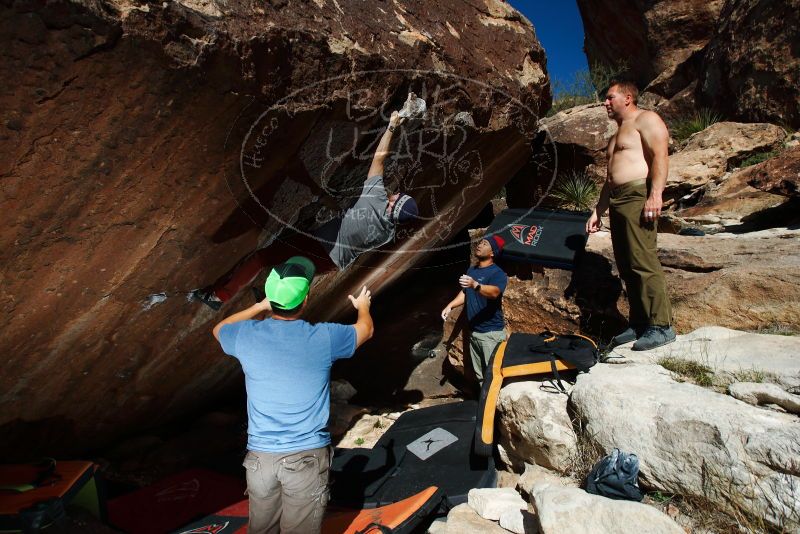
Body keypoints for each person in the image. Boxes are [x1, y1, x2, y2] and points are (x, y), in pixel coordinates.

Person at [195, 109, 419, 310]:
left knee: (261, 258)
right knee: (291, 277)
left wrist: (391, 126)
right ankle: (267, 298)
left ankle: (219, 297)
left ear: (392, 205)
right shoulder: (386, 232)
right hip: (333, 262)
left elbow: (379, 160)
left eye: (398, 196)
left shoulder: (375, 201)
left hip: (318, 247)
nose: (395, 192)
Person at [212, 255, 374, 534]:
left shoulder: (246, 336)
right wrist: (362, 307)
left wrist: (258, 306)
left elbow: (218, 329)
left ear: (270, 297)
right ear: (306, 298)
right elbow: (366, 330)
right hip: (305, 458)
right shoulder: (324, 337)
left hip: (260, 460)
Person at [585, 80, 675, 351]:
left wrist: (655, 194)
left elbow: (660, 156)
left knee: (643, 260)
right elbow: (609, 179)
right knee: (626, 264)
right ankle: (639, 323)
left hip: (638, 196)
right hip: (617, 200)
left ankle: (661, 326)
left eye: (610, 97)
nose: (605, 103)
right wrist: (597, 210)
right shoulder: (616, 136)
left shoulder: (646, 120)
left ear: (627, 98)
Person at [441, 236, 508, 384]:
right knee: (481, 377)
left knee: (494, 376)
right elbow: (465, 293)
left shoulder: (497, 273)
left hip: (491, 335)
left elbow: (495, 292)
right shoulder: (472, 270)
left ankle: (495, 405)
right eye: (480, 242)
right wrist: (450, 305)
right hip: (474, 333)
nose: (480, 245)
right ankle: (483, 404)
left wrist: (476, 285)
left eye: (485, 244)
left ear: (492, 253)